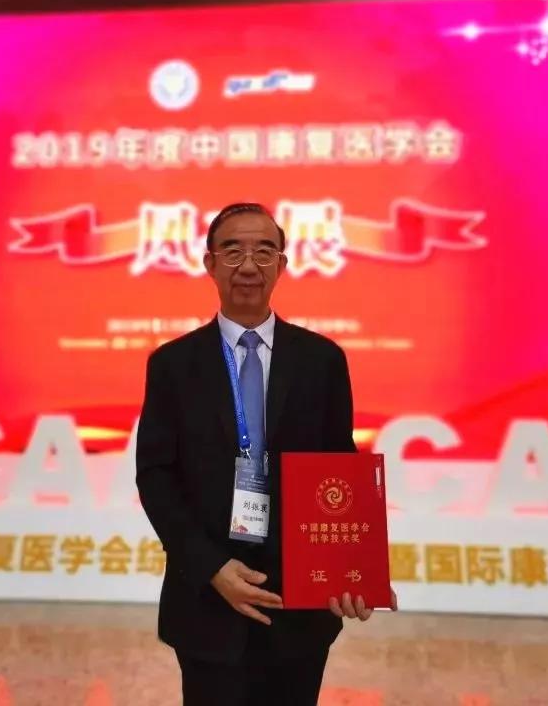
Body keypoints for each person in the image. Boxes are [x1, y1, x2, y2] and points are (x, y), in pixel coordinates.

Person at [136, 202, 396, 705]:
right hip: (207, 596)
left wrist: (351, 569)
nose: (249, 265)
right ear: (210, 264)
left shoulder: (321, 360)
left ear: (282, 263)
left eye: (263, 251)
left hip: (299, 602)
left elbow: (339, 470)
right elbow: (156, 477)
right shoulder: (173, 365)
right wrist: (212, 567)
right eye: (233, 251)